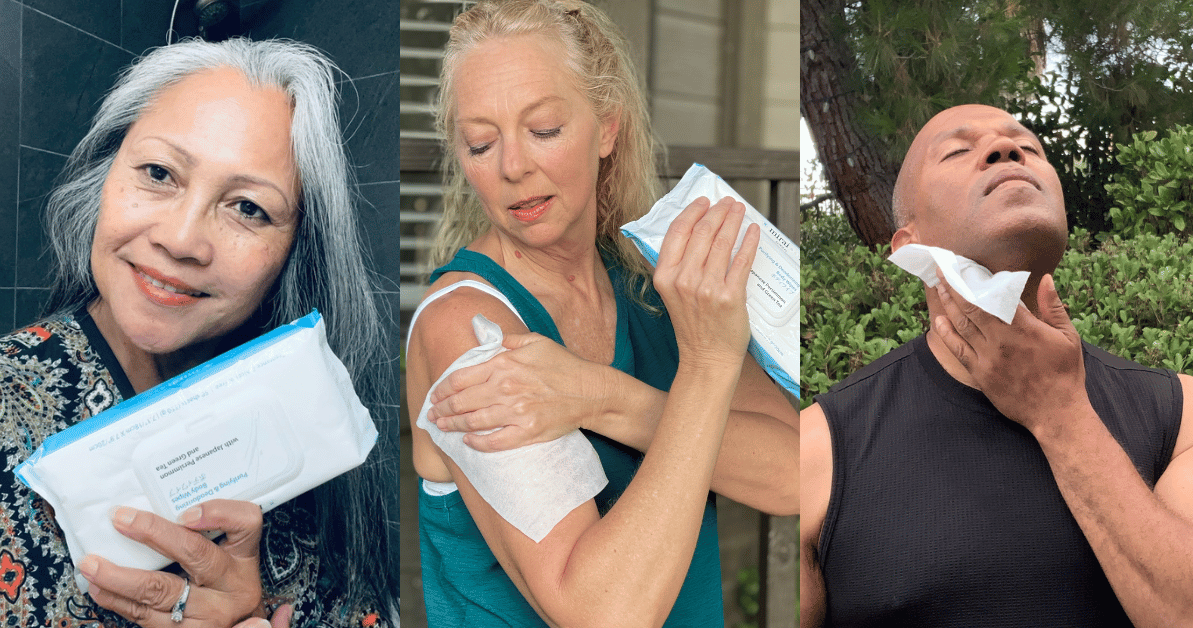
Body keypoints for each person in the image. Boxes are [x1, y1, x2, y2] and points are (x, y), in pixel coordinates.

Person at [404, 1, 801, 626]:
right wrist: (705, 366)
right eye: (481, 142)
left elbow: (794, 474)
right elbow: (603, 611)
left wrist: (604, 398)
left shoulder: (652, 287)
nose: (512, 167)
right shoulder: (467, 330)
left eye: (544, 130)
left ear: (607, 128)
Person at [0, 38, 399, 627]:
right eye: (159, 173)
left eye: (248, 208)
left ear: (295, 249)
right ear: (105, 177)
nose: (182, 240)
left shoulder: (313, 432)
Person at [796, 104, 1193, 626]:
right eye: (960, 151)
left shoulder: (1183, 415)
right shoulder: (819, 450)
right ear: (909, 245)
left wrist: (1060, 414)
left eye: (1027, 148)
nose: (1006, 151)